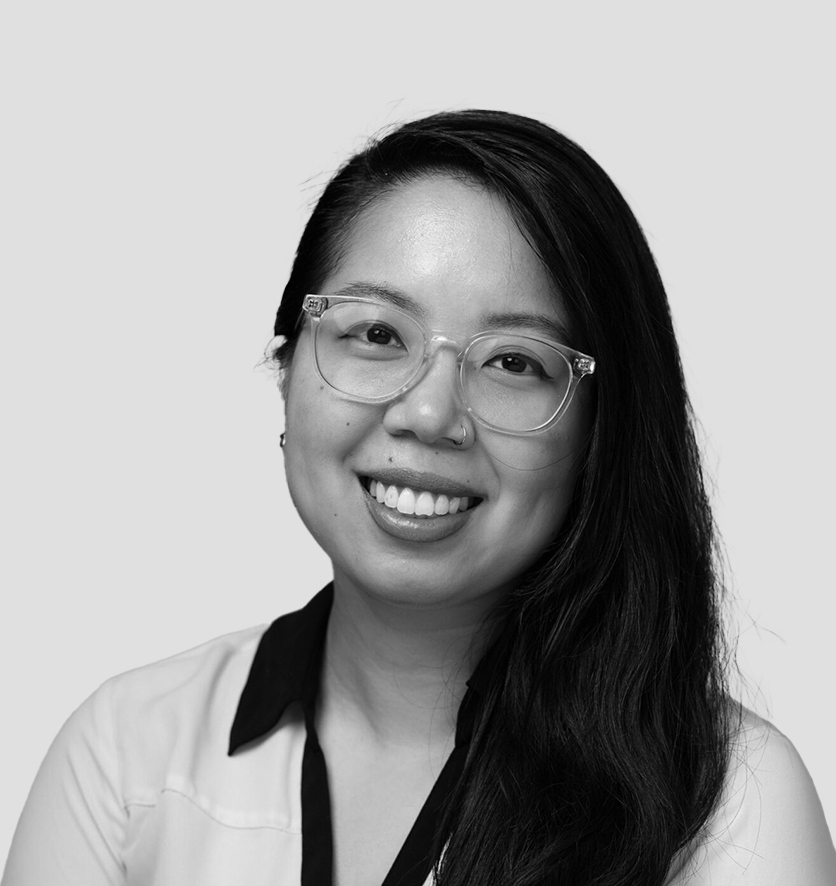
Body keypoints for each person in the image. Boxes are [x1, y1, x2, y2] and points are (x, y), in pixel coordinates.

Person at [3, 110, 834, 886]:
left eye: (514, 362)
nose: (431, 413)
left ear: (598, 434)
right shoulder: (126, 758)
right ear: (286, 368)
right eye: (376, 334)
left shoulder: (734, 802)